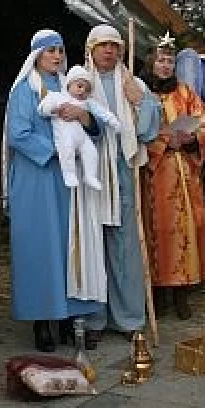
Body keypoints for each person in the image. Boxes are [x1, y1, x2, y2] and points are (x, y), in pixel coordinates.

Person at [4, 29, 107, 351]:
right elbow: (18, 134)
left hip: (66, 180)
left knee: (66, 245)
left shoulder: (69, 87)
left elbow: (95, 126)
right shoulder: (24, 91)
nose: (57, 56)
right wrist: (58, 150)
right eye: (51, 51)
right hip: (36, 177)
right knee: (39, 246)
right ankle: (40, 322)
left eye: (61, 50)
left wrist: (83, 116)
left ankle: (65, 316)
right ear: (37, 55)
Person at [84, 25, 162, 342]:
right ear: (91, 49)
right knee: (92, 246)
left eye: (114, 46)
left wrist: (141, 102)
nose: (109, 51)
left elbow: (147, 131)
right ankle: (92, 320)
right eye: (102, 46)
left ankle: (129, 319)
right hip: (90, 174)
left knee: (126, 247)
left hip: (122, 172)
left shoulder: (133, 83)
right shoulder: (79, 82)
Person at [143, 32, 205, 318]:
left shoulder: (185, 92)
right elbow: (135, 131)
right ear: (150, 63)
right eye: (160, 60)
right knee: (157, 231)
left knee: (184, 229)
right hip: (155, 176)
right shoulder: (142, 93)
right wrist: (162, 142)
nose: (166, 66)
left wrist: (190, 138)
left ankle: (182, 292)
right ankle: (158, 292)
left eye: (170, 60)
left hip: (184, 174)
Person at [39, 64, 119, 189]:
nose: (82, 91)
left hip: (82, 137)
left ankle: (90, 175)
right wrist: (53, 109)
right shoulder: (57, 97)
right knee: (67, 151)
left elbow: (102, 112)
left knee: (91, 152)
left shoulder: (88, 103)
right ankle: (69, 174)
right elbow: (43, 108)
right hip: (66, 135)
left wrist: (113, 121)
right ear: (69, 85)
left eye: (87, 89)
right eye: (79, 86)